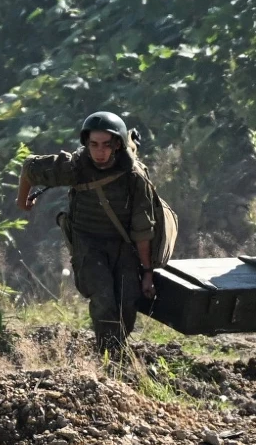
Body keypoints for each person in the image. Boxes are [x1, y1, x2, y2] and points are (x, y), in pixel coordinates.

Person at [17, 111, 157, 355]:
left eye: (106, 145)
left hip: (123, 243)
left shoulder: (134, 176)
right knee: (103, 299)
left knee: (127, 303)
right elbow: (30, 167)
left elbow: (142, 228)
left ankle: (117, 351)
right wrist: (23, 201)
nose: (99, 151)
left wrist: (147, 272)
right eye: (93, 145)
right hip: (88, 242)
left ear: (117, 145)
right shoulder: (74, 167)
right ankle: (110, 356)